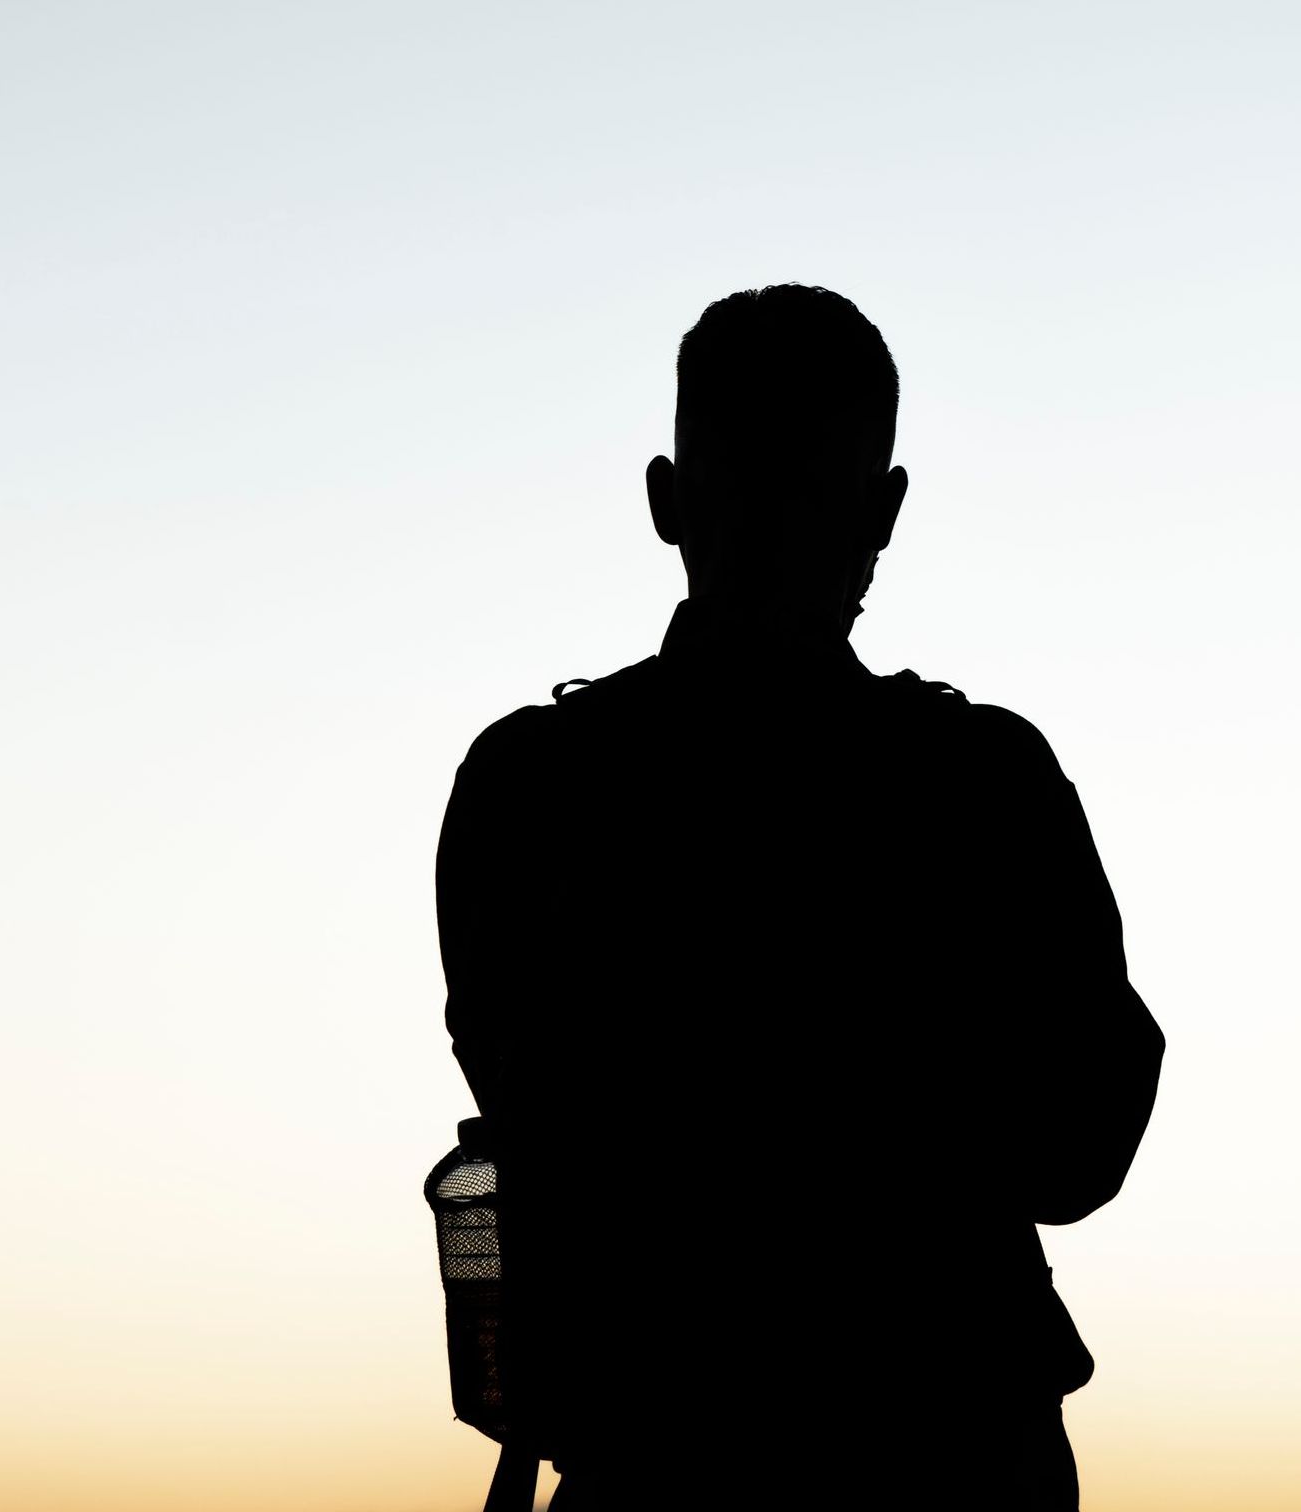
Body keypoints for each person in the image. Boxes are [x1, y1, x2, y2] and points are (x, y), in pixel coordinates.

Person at [436, 284, 1164, 1508]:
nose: (778, 532)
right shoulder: (981, 784)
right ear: (886, 513)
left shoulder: (536, 782)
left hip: (684, 1450)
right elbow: (1079, 1146)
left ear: (666, 501)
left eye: (799, 488)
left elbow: (531, 1106)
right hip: (917, 1448)